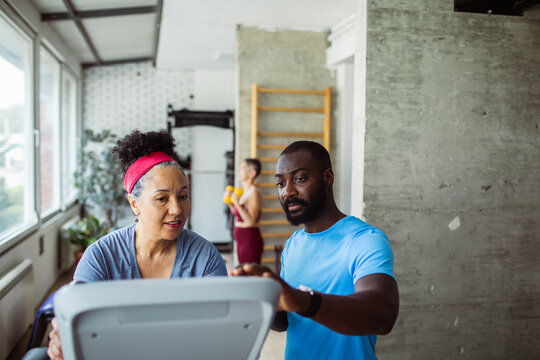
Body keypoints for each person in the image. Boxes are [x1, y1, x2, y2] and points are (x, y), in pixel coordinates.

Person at [36, 129, 227, 360]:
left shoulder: (204, 257)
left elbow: (221, 331)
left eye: (183, 196)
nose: (177, 209)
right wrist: (63, 333)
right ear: (134, 204)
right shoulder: (101, 256)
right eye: (162, 198)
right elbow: (77, 319)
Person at [231, 141, 399, 360]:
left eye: (299, 179)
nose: (287, 192)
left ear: (327, 178)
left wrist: (305, 301)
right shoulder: (293, 244)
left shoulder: (364, 239)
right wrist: (262, 297)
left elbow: (383, 315)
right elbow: (284, 321)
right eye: (280, 183)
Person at [225, 158, 264, 264]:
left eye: (242, 168)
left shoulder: (254, 193)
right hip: (241, 236)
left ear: (252, 173)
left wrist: (236, 203)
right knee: (242, 271)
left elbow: (251, 221)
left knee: (249, 272)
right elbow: (239, 215)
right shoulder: (243, 193)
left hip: (249, 237)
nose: (238, 171)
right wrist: (229, 203)